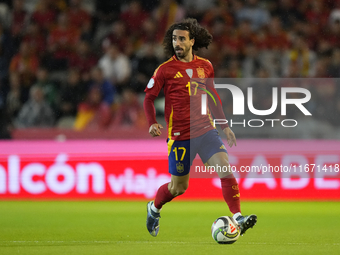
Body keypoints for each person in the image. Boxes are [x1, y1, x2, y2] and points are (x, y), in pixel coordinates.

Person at [144, 18, 257, 237]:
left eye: (182, 39)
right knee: (178, 188)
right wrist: (152, 123)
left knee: (225, 167)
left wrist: (224, 126)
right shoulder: (164, 70)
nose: (177, 43)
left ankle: (237, 217)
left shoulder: (205, 66)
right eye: (174, 39)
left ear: (192, 41)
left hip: (206, 130)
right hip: (179, 136)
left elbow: (213, 96)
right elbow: (148, 99)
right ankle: (154, 208)